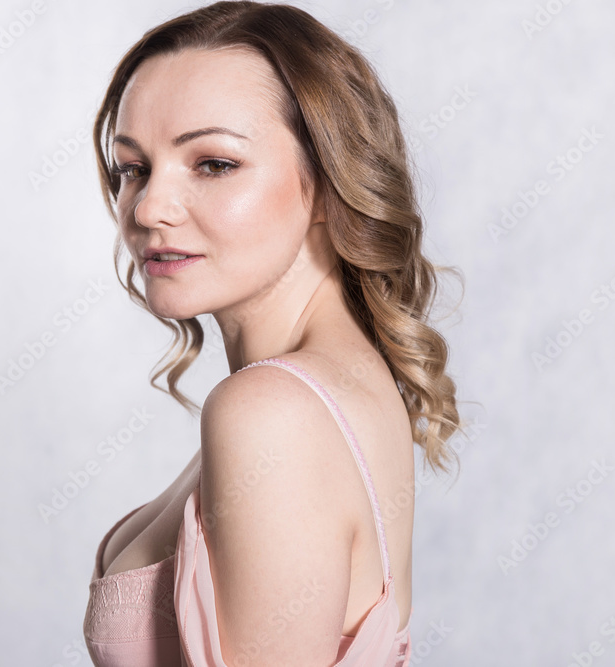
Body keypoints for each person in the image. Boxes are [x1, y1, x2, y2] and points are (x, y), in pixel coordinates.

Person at [82, 2, 463, 665]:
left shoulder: (271, 412)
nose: (147, 207)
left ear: (325, 183)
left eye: (213, 163)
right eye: (133, 167)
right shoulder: (338, 383)